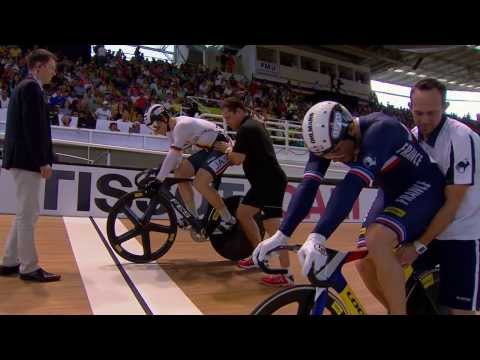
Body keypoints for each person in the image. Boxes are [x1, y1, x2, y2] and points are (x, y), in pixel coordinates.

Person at [253, 101, 446, 314]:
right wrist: (282, 234)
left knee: (377, 239)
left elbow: (351, 186)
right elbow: (308, 186)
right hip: (391, 191)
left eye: (336, 151)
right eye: (327, 156)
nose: (333, 158)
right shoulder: (326, 143)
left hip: (424, 186)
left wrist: (318, 236)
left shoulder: (381, 129)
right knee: (363, 262)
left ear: (351, 130)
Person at [356, 78, 480, 315]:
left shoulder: (461, 138)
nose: (424, 120)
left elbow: (454, 204)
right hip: (431, 229)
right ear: (410, 107)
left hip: (463, 232)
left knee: (459, 311)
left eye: (431, 113)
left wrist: (419, 246)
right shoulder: (410, 136)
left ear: (445, 107)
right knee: (367, 264)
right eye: (418, 112)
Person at [215, 97, 291, 287]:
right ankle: (260, 256)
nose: (228, 122)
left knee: (275, 229)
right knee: (243, 213)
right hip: (262, 183)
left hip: (270, 183)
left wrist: (226, 149)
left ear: (239, 111)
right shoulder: (251, 126)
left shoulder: (247, 129)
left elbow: (237, 159)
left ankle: (286, 275)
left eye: (229, 117)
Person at [0, 49, 61, 282]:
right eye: (52, 68)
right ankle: (29, 267)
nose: (54, 73)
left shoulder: (25, 87)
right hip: (27, 160)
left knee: (24, 213)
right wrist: (42, 160)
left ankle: (9, 261)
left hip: (22, 159)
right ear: (39, 66)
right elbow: (33, 129)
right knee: (29, 215)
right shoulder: (31, 89)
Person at [144, 104, 236, 239]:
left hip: (222, 149)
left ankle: (228, 219)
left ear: (164, 118)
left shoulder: (182, 125)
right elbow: (176, 158)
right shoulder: (171, 131)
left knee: (200, 182)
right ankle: (192, 217)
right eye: (152, 128)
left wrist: (159, 179)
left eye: (155, 126)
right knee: (180, 173)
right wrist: (162, 169)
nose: (155, 131)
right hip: (207, 150)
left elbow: (173, 154)